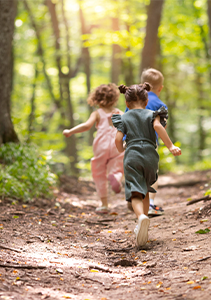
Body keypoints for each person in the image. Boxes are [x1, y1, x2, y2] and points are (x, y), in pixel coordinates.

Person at [112, 83, 181, 247]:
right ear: (146, 101)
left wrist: (121, 150)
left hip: (132, 156)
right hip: (150, 155)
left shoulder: (124, 117)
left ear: (126, 104)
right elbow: (158, 127)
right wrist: (171, 146)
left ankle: (140, 218)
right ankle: (144, 222)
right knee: (146, 188)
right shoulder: (153, 114)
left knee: (135, 191)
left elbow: (117, 139)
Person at [63, 84, 124, 214]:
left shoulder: (97, 114)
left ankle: (104, 204)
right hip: (116, 144)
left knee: (99, 172)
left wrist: (70, 131)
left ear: (96, 99)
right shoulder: (120, 113)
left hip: (101, 145)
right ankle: (117, 176)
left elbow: (86, 126)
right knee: (118, 165)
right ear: (115, 98)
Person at [126, 68, 167, 216]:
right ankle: (149, 203)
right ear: (160, 87)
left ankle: (135, 198)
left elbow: (126, 124)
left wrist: (124, 143)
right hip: (150, 145)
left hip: (131, 146)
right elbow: (161, 127)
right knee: (152, 175)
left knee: (135, 173)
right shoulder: (161, 105)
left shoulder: (131, 104)